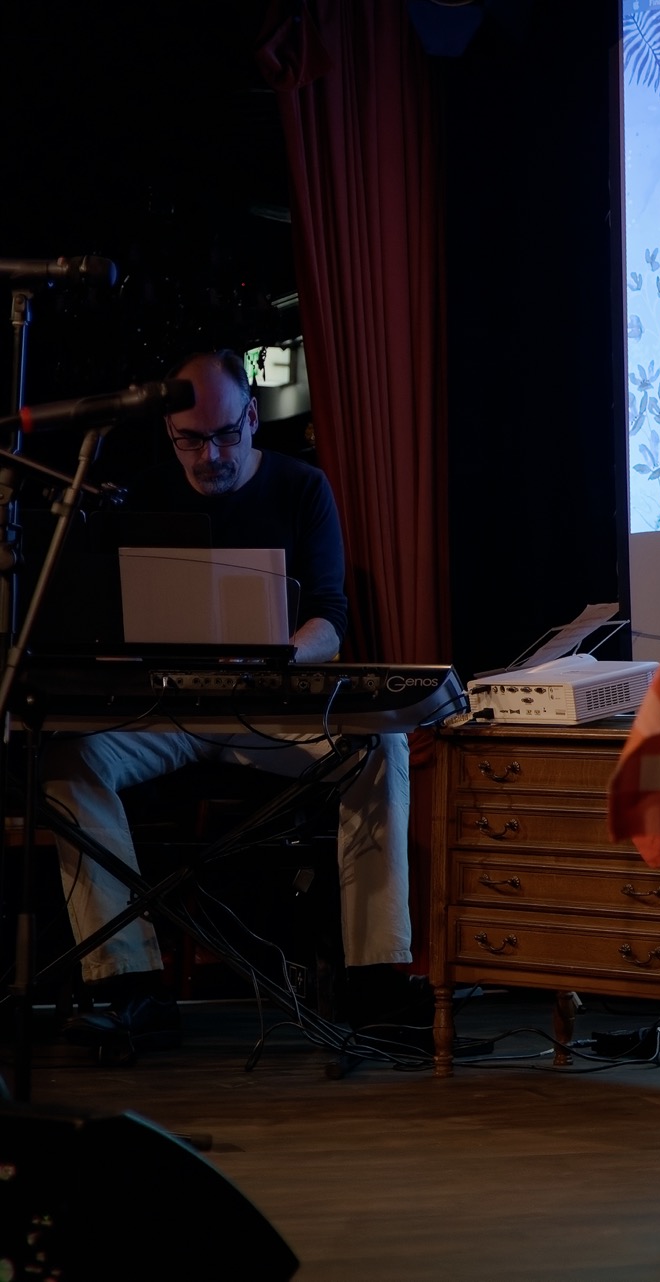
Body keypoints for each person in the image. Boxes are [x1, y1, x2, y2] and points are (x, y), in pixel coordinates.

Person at [45, 349, 416, 1054]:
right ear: (169, 432)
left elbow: (330, 620)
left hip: (267, 712)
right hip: (166, 717)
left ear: (251, 417)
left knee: (379, 745)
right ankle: (129, 986)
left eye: (223, 435)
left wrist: (278, 658)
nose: (210, 455)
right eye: (191, 440)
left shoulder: (302, 487)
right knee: (67, 761)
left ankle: (375, 978)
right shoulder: (145, 493)